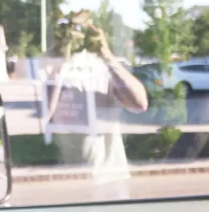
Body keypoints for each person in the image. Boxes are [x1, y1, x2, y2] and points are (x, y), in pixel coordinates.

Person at [42, 12, 149, 201]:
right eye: (72, 26)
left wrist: (107, 55)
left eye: (83, 27)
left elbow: (140, 103)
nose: (77, 32)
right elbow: (45, 117)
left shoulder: (104, 63)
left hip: (110, 175)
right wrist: (61, 62)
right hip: (68, 177)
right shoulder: (49, 61)